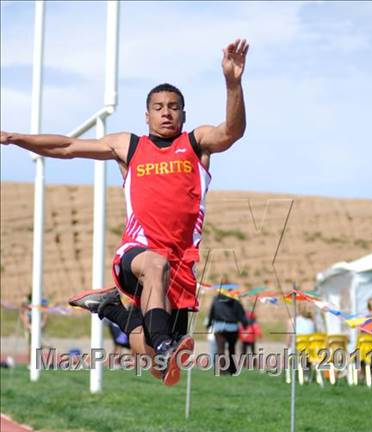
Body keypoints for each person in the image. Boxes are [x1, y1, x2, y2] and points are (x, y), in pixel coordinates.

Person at [1, 39, 250, 386]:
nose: (166, 112)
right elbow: (67, 146)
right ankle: (164, 341)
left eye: (174, 107)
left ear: (183, 114)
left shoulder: (195, 143)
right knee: (155, 268)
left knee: (158, 368)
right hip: (137, 253)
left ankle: (114, 310)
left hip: (180, 262)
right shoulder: (129, 146)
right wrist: (14, 137)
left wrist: (233, 83)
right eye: (159, 107)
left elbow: (232, 132)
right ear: (146, 115)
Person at [206, 289, 249, 374]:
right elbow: (241, 314)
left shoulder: (216, 299)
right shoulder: (235, 300)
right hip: (232, 327)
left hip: (219, 327)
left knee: (220, 349)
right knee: (231, 349)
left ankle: (222, 370)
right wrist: (245, 324)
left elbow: (212, 313)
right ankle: (232, 370)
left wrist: (209, 324)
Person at [19, 292, 49, 364]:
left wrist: (43, 324)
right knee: (30, 345)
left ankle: (38, 362)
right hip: (29, 326)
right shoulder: (26, 300)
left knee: (39, 345)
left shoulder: (43, 300)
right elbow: (22, 312)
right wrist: (26, 325)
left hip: (39, 326)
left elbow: (46, 313)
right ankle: (30, 363)